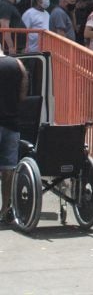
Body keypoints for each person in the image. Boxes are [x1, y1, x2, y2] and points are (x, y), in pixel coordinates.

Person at [0, 49, 27, 224]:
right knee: (8, 168)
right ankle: (5, 209)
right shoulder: (18, 65)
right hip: (12, 123)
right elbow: (22, 96)